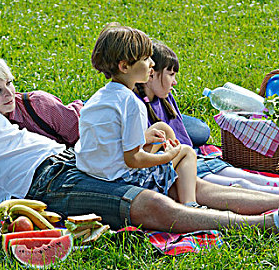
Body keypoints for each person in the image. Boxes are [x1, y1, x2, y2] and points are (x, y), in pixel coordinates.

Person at [0, 15, 279, 239]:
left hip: (61, 159)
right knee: (144, 203)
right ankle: (270, 225)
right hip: (37, 185)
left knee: (188, 175)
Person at [134, 41, 279, 195]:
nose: (175, 82)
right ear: (151, 74)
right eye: (171, 74)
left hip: (195, 157)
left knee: (244, 175)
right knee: (243, 186)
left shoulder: (165, 98)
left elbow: (183, 137)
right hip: (181, 168)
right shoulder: (138, 108)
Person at [74, 23, 203, 207]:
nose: (152, 63)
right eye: (146, 58)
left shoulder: (99, 97)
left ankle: (177, 186)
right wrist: (169, 156)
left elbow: (109, 138)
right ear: (125, 66)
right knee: (187, 152)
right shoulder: (132, 104)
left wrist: (144, 137)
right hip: (123, 181)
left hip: (94, 173)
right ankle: (191, 204)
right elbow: (133, 159)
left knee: (159, 130)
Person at [0, 53, 83, 147]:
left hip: (86, 121)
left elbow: (81, 139)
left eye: (9, 83)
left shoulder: (38, 104)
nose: (9, 93)